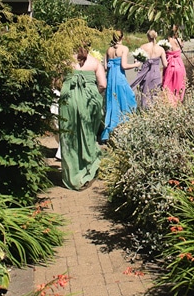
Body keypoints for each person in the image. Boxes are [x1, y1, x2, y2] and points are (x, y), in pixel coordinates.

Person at [58, 42, 106, 190]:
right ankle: (87, 169)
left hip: (69, 101)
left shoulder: (65, 61)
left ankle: (72, 176)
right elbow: (103, 84)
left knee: (69, 135)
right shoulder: (95, 62)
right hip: (89, 102)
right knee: (88, 135)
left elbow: (55, 82)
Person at [101, 29, 140, 142]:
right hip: (119, 77)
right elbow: (123, 65)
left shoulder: (108, 50)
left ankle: (110, 129)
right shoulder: (124, 49)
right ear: (122, 37)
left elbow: (105, 67)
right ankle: (124, 127)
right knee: (127, 99)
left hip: (110, 78)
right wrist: (135, 64)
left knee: (112, 102)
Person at [130, 29, 167, 109]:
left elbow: (136, 61)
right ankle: (154, 112)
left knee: (145, 93)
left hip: (145, 72)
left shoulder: (143, 47)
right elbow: (165, 64)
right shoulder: (161, 49)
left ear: (148, 37)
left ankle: (145, 111)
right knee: (155, 94)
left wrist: (138, 66)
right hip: (156, 72)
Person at [161, 24, 186, 103]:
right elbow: (182, 47)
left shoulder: (167, 40)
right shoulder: (180, 40)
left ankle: (170, 102)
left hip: (170, 64)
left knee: (168, 84)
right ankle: (178, 100)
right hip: (179, 64)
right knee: (179, 84)